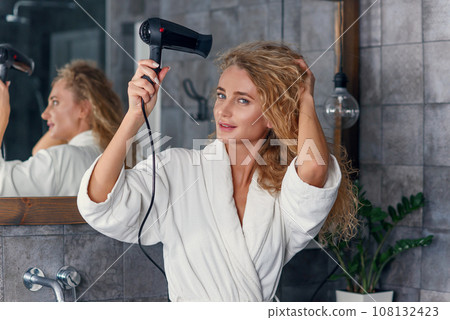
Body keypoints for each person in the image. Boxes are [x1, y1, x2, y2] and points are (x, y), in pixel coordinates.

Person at [77, 41, 358, 301]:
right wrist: (134, 117)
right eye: (222, 95)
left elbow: (314, 168)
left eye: (242, 100)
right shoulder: (177, 171)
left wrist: (305, 98)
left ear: (273, 114)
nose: (223, 110)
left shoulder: (280, 193)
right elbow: (101, 200)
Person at [0, 60, 123, 196]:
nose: (44, 114)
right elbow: (38, 151)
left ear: (83, 108)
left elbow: (2, 185)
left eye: (55, 102)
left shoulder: (62, 159)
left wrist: (2, 115)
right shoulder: (113, 158)